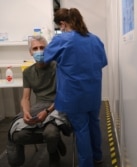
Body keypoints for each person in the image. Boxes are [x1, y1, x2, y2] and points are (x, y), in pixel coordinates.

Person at [43, 8, 108, 167]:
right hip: (93, 92)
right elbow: (103, 62)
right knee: (94, 123)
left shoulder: (62, 39)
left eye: (60, 26)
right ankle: (98, 156)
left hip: (74, 95)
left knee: (81, 129)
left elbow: (45, 57)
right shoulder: (95, 39)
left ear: (63, 24)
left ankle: (86, 164)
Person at [6, 36, 71, 167]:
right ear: (30, 52)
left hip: (58, 106)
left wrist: (47, 112)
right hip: (40, 107)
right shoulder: (28, 72)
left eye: (42, 47)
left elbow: (63, 95)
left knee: (51, 133)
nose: (39, 51)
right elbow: (25, 98)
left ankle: (53, 152)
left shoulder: (58, 67)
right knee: (17, 135)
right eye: (35, 48)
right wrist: (25, 112)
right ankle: (55, 142)